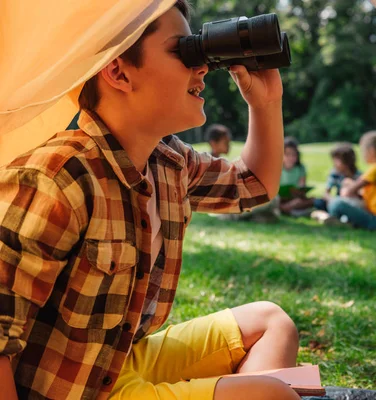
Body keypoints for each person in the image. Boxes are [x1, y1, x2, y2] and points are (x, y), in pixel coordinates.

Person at [0, 2, 300, 400]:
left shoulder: (167, 162)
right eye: (183, 51)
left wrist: (265, 103)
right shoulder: (56, 179)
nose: (203, 67)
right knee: (270, 394)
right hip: (75, 390)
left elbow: (254, 183)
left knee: (272, 322)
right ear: (119, 72)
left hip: (118, 361)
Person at [317, 131, 376, 230]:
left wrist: (347, 184)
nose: (362, 155)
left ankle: (341, 221)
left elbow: (348, 192)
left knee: (336, 203)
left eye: (363, 151)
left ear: (372, 150)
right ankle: (343, 221)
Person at [313, 142, 362, 212]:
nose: (334, 163)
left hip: (352, 203)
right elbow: (326, 193)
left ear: (347, 161)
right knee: (319, 202)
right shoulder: (335, 174)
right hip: (337, 202)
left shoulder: (359, 175)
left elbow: (361, 195)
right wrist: (332, 200)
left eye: (337, 160)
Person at [279, 137, 313, 215]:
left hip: (294, 199)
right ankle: (287, 209)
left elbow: (302, 186)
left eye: (293, 155)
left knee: (312, 200)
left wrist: (299, 192)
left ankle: (285, 209)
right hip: (279, 199)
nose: (291, 158)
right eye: (287, 154)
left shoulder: (300, 168)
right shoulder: (277, 168)